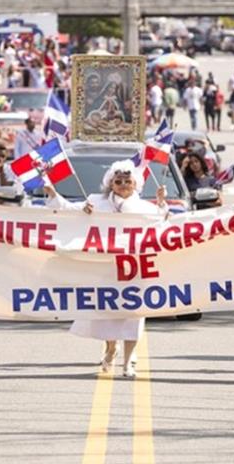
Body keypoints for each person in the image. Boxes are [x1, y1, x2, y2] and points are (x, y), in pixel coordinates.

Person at [44, 160, 168, 378]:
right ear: (111, 183)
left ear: (135, 184)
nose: (123, 185)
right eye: (118, 181)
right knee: (107, 313)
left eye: (127, 181)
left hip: (134, 270)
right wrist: (54, 194)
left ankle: (128, 363)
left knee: (134, 315)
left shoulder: (145, 208)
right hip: (105, 268)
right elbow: (68, 210)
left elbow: (165, 224)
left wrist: (161, 203)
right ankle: (111, 348)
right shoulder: (96, 202)